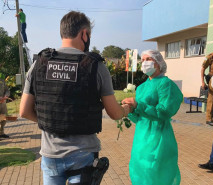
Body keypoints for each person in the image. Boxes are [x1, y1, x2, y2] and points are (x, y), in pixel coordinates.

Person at [19, 11, 130, 185]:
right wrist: (128, 108)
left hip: (50, 155)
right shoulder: (96, 66)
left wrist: (52, 121)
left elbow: (24, 111)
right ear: (84, 34)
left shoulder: (39, 64)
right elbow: (115, 113)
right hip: (83, 156)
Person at [122, 50, 183, 185]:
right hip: (141, 137)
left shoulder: (165, 84)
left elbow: (164, 112)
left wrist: (139, 105)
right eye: (142, 60)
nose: (145, 63)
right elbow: (139, 119)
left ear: (159, 63)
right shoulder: (141, 87)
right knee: (139, 168)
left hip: (158, 136)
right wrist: (130, 110)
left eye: (149, 59)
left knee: (155, 171)